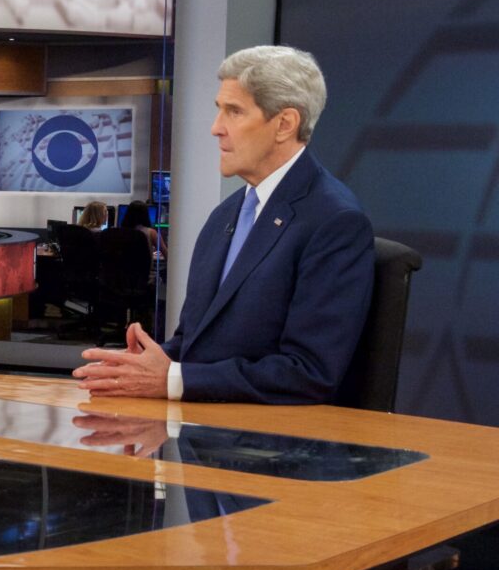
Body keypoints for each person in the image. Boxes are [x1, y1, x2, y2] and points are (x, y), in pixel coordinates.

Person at [74, 45, 374, 405]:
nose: (216, 129)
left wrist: (173, 378)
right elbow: (195, 342)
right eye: (220, 111)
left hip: (271, 450)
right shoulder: (226, 215)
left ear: (285, 124)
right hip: (202, 434)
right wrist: (148, 363)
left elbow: (308, 373)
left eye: (234, 112)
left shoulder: (335, 222)